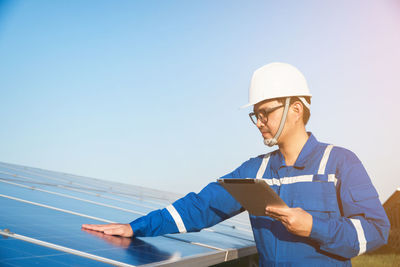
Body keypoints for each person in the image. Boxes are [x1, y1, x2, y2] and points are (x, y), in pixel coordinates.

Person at [82, 62, 390, 266]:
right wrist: (135, 227)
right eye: (255, 115)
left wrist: (313, 226)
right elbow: (201, 207)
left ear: (296, 109)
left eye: (265, 112)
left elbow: (375, 231)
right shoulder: (254, 172)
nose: (259, 123)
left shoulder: (339, 163)